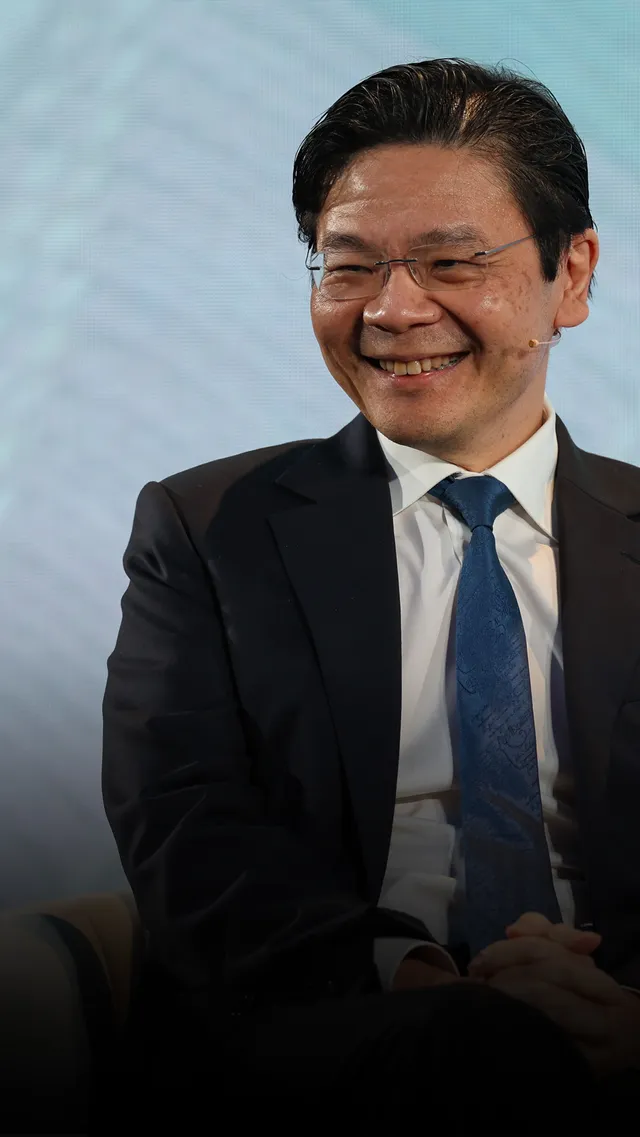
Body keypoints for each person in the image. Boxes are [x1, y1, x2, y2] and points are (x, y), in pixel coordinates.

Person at [102, 59, 640, 1134]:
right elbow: (185, 830)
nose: (393, 310)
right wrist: (425, 983)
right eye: (348, 266)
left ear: (571, 274)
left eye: (450, 261)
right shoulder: (209, 528)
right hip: (328, 1037)